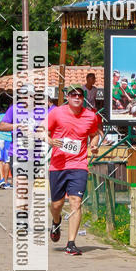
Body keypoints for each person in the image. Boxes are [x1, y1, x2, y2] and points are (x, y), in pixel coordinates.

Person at [46, 83, 102, 255]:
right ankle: (56, 222)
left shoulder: (90, 116)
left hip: (79, 165)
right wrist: (49, 141)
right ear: (67, 97)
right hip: (58, 165)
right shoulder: (56, 113)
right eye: (73, 94)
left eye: (80, 95)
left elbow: (95, 134)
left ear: (83, 98)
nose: (77, 97)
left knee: (75, 202)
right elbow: (41, 131)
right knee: (56, 204)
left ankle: (71, 243)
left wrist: (93, 145)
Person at [0, 108, 13, 188]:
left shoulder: (2, 115)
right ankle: (5, 181)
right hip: (9, 139)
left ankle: (1, 179)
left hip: (0, 138)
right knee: (7, 161)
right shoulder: (16, 115)